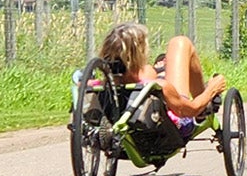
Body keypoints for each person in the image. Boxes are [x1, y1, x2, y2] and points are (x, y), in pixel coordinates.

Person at [95, 21, 226, 165]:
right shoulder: (158, 87)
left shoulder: (99, 87)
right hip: (169, 130)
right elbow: (192, 110)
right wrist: (212, 89)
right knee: (180, 43)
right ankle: (202, 102)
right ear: (139, 54)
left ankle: (162, 69)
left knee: (152, 70)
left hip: (127, 131)